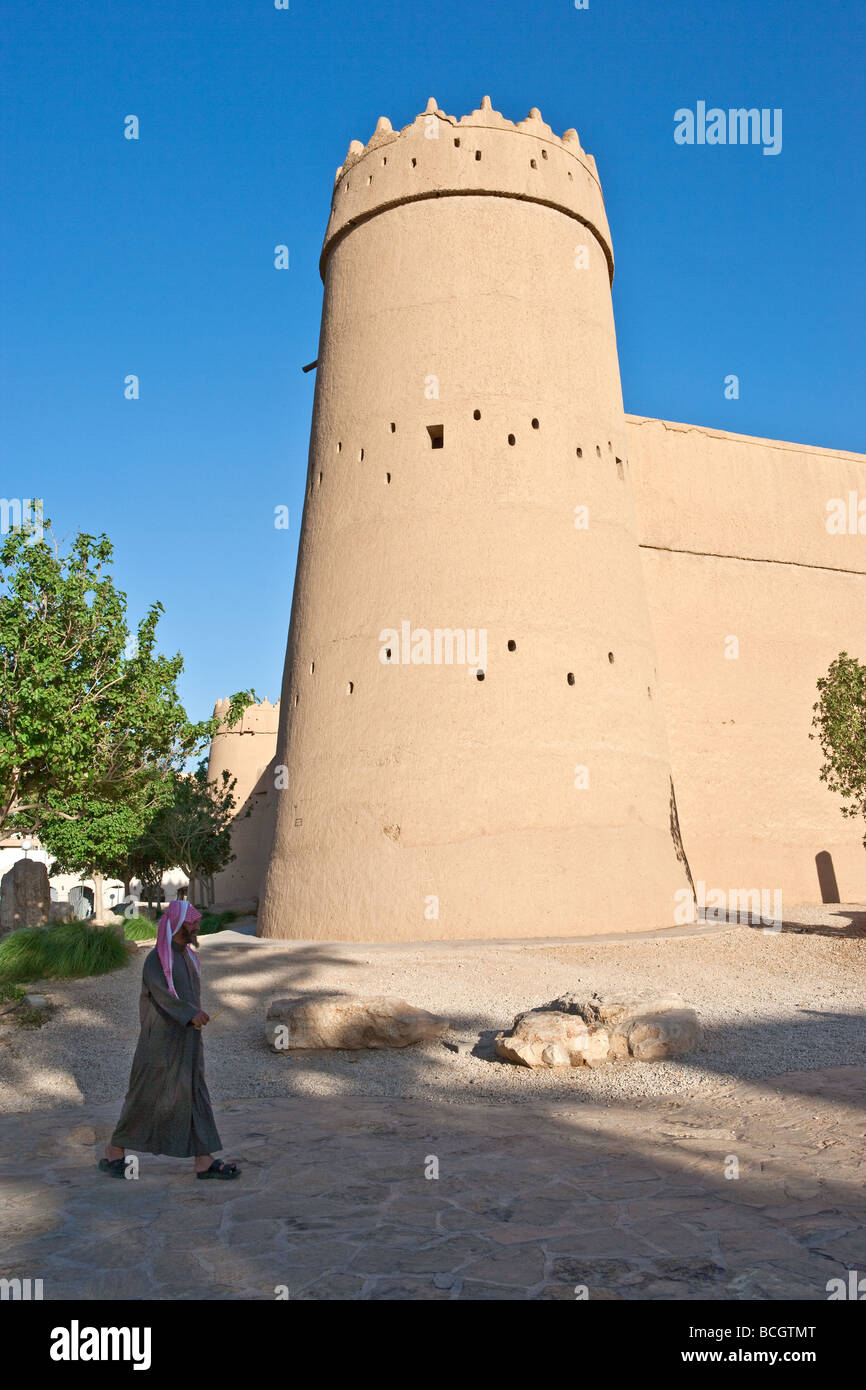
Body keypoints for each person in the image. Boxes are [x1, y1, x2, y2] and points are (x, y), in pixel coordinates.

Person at [99, 889, 240, 1180]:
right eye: (193, 922)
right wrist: (190, 1013)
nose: (198, 927)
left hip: (188, 1039)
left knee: (195, 1094)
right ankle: (115, 1151)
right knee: (146, 1097)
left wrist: (194, 1018)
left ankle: (203, 1160)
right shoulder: (156, 960)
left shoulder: (187, 957)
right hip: (160, 1044)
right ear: (178, 925)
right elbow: (164, 996)